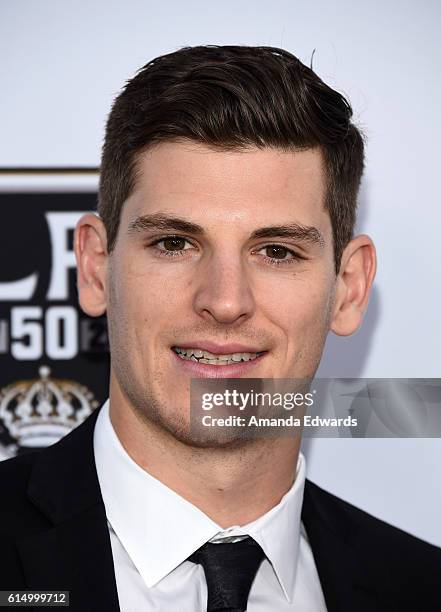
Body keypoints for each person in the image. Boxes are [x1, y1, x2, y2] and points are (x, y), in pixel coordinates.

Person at [0, 45, 439, 612]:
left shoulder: (422, 587)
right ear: (94, 268)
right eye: (174, 244)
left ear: (349, 287)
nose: (226, 301)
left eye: (277, 251)